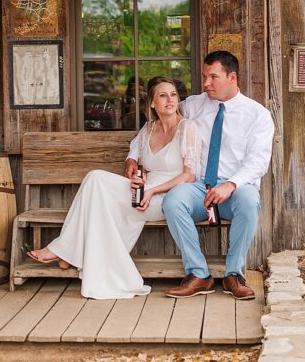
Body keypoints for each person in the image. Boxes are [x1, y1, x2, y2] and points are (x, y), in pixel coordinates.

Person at [27, 76, 200, 299]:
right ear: (152, 103)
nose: (170, 100)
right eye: (163, 95)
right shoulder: (148, 129)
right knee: (94, 179)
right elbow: (137, 158)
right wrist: (138, 174)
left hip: (166, 197)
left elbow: (189, 174)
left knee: (99, 198)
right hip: (143, 190)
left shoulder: (188, 128)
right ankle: (69, 251)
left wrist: (152, 190)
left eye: (174, 95)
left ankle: (66, 250)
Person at [125, 50, 274, 300]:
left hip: (234, 188)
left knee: (249, 202)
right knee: (174, 201)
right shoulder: (193, 105)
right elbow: (155, 124)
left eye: (213, 77)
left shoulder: (257, 115)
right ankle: (199, 274)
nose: (206, 83)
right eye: (205, 76)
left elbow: (258, 161)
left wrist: (230, 185)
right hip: (198, 186)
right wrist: (132, 156)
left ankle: (234, 275)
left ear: (232, 78)